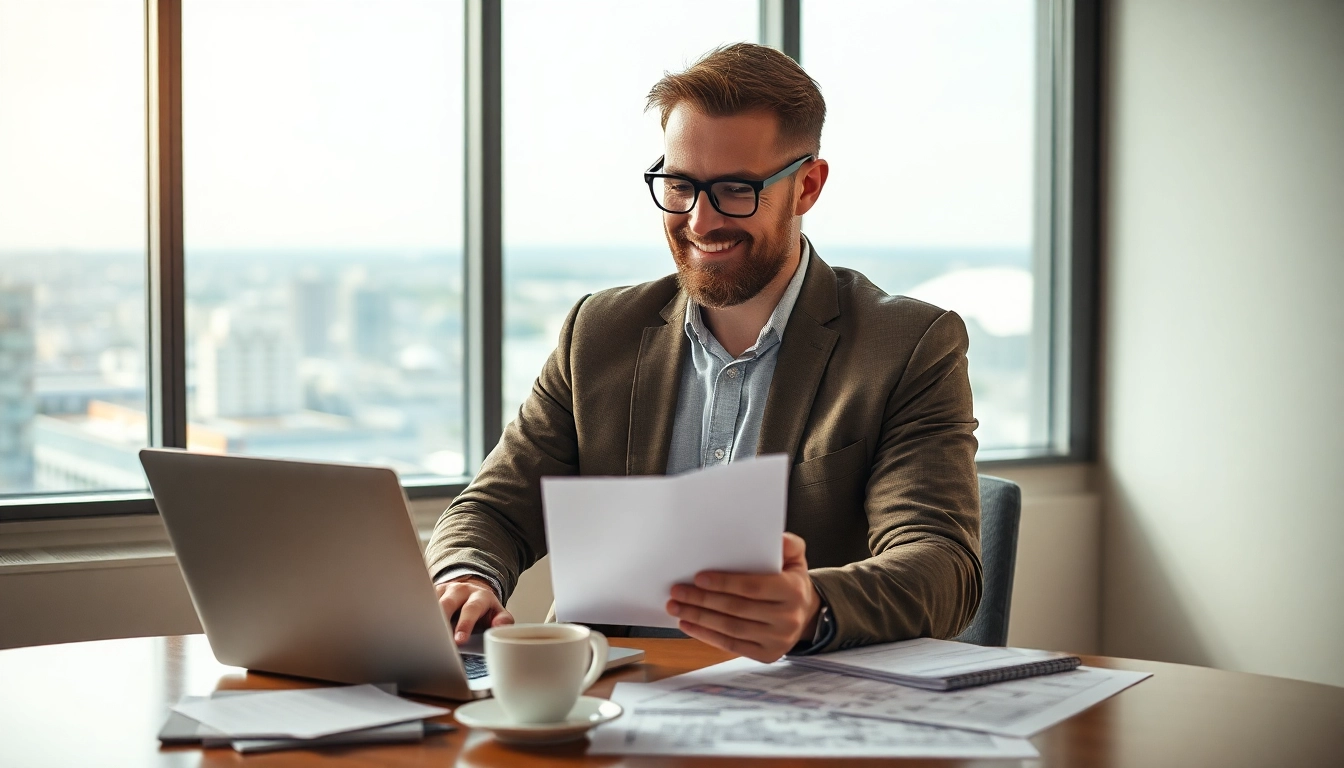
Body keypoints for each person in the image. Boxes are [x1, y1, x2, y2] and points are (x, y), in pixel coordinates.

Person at [427, 43, 981, 663]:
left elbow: (943, 565)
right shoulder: (598, 332)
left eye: (736, 190)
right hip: (607, 698)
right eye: (681, 185)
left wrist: (812, 606)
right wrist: (465, 577)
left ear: (807, 186)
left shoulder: (906, 346)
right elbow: (494, 508)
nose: (701, 220)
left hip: (794, 708)